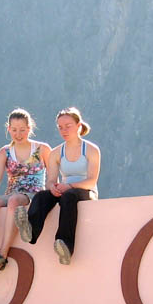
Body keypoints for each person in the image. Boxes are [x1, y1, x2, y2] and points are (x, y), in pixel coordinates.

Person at [14, 107, 100, 265]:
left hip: (85, 191)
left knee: (69, 196)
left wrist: (69, 186)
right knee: (42, 195)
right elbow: (51, 179)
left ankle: (65, 245)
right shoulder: (56, 153)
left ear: (78, 125)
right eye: (60, 127)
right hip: (65, 189)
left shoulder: (91, 150)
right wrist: (52, 187)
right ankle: (31, 231)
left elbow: (91, 181)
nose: (64, 130)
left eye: (68, 126)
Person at [0, 109, 51, 274]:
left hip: (34, 194)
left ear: (29, 128)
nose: (18, 134)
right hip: (11, 192)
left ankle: (3, 252)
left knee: (13, 201)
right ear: (8, 129)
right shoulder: (4, 152)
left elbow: (53, 178)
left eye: (22, 130)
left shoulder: (43, 149)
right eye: (14, 130)